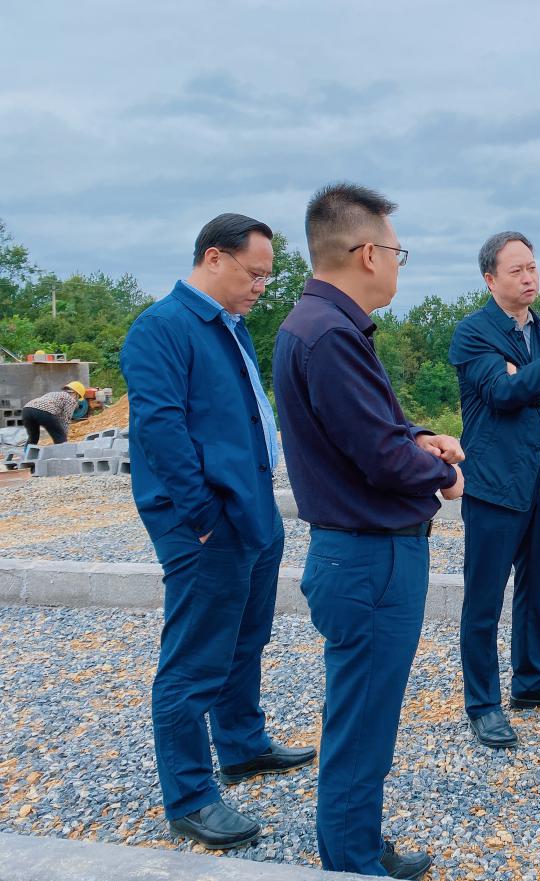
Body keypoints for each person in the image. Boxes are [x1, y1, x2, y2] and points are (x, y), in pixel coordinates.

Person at [273, 183, 463, 878]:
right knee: (361, 722)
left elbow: (373, 427)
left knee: (366, 714)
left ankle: (358, 842)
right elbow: (380, 457)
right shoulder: (329, 334)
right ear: (366, 253)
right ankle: (353, 862)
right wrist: (441, 472)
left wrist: (420, 435)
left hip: (361, 554)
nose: (398, 264)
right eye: (396, 251)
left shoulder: (323, 326)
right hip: (369, 557)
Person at [121, 214, 315, 851]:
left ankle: (241, 744)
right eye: (254, 273)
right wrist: (202, 515)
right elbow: (160, 427)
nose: (262, 286)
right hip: (205, 522)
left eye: (267, 276)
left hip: (251, 510)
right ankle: (190, 797)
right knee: (195, 659)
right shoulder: (162, 327)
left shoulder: (230, 327)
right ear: (213, 258)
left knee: (245, 639)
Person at [449, 231, 540, 750]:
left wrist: (530, 374)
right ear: (490, 279)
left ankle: (531, 679)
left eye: (532, 267)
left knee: (539, 584)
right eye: (516, 270)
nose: (529, 278)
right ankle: (483, 704)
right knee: (484, 596)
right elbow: (501, 394)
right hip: (495, 482)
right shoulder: (473, 332)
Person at [20, 381, 85, 444]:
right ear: (76, 394)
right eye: (78, 397)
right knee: (60, 437)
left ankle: (27, 451)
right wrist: (63, 434)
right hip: (44, 411)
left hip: (27, 410)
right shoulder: (71, 400)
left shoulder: (54, 394)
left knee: (33, 438)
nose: (77, 400)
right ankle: (62, 451)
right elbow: (66, 419)